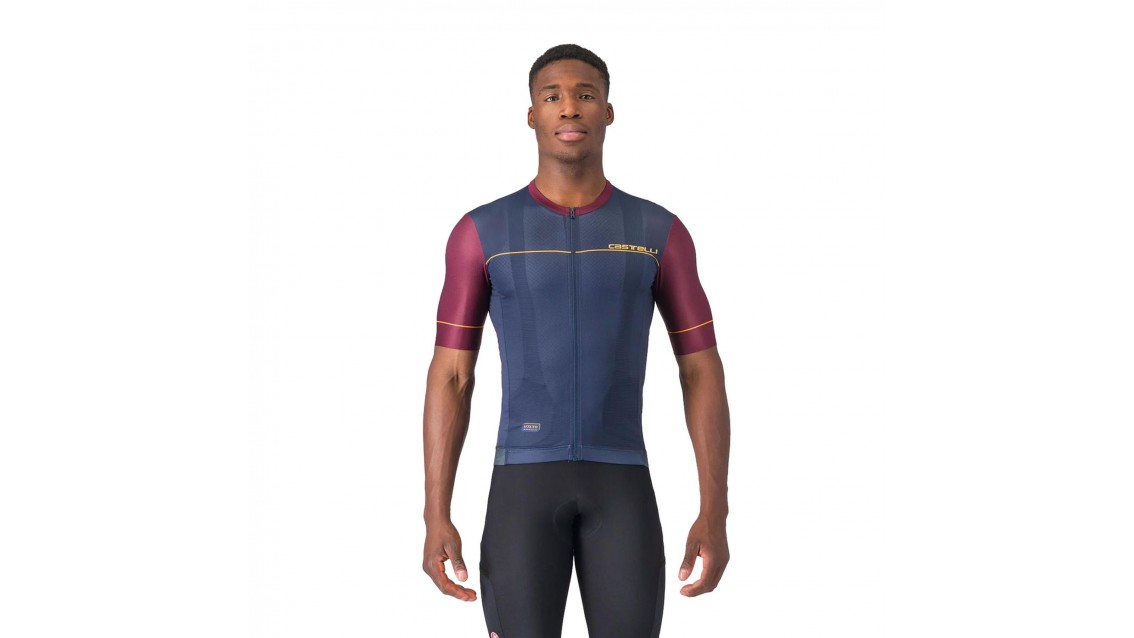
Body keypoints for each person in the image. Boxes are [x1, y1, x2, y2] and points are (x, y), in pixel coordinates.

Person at [422, 43, 731, 638]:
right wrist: (436, 512)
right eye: (553, 96)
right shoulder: (483, 231)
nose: (569, 108)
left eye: (585, 95)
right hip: (522, 488)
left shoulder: (657, 230)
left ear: (608, 112)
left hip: (622, 485)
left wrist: (714, 509)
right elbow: (452, 374)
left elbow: (701, 370)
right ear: (532, 114)